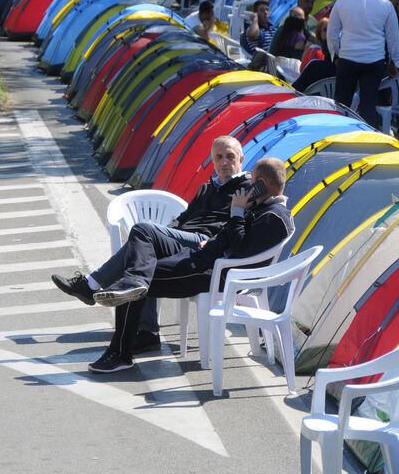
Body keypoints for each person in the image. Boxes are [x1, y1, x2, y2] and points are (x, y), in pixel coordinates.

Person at [80, 157, 293, 373]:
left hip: (210, 271)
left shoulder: (274, 217)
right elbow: (232, 239)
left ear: (262, 184)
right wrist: (212, 241)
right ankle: (133, 290)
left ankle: (120, 353)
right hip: (204, 257)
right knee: (142, 235)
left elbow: (240, 250)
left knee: (131, 282)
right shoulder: (260, 208)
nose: (248, 186)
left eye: (253, 181)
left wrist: (237, 211)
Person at [51, 136, 251, 354]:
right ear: (212, 161)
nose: (224, 162)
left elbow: (238, 225)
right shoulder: (207, 188)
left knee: (143, 231)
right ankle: (147, 334)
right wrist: (166, 233)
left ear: (241, 158)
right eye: (218, 157)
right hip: (183, 237)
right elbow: (182, 218)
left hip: (205, 244)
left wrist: (209, 239)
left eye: (230, 157)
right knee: (144, 255)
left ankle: (90, 286)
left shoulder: (246, 189)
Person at [327, 0, 399, 128]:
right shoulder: (386, 5)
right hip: (374, 62)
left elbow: (332, 33)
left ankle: (338, 134)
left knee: (341, 105)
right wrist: (394, 62)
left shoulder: (343, 1)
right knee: (369, 106)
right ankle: (366, 138)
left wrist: (336, 55)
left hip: (347, 59)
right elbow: (393, 38)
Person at [292, 18, 338, 93]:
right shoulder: (315, 53)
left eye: (332, 31)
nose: (329, 33)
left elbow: (295, 89)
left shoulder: (315, 65)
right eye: (326, 29)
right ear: (318, 32)